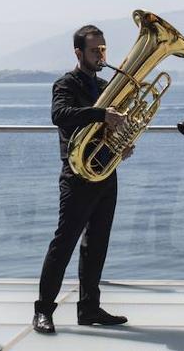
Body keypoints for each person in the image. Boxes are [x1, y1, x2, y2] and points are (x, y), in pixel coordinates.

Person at [33, 24, 131, 335]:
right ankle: (43, 311)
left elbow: (111, 127)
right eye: (94, 50)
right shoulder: (66, 84)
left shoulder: (106, 85)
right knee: (63, 243)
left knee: (96, 244)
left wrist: (122, 142)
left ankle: (89, 307)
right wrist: (101, 114)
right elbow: (60, 115)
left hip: (106, 172)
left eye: (104, 49)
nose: (101, 55)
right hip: (76, 176)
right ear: (79, 53)